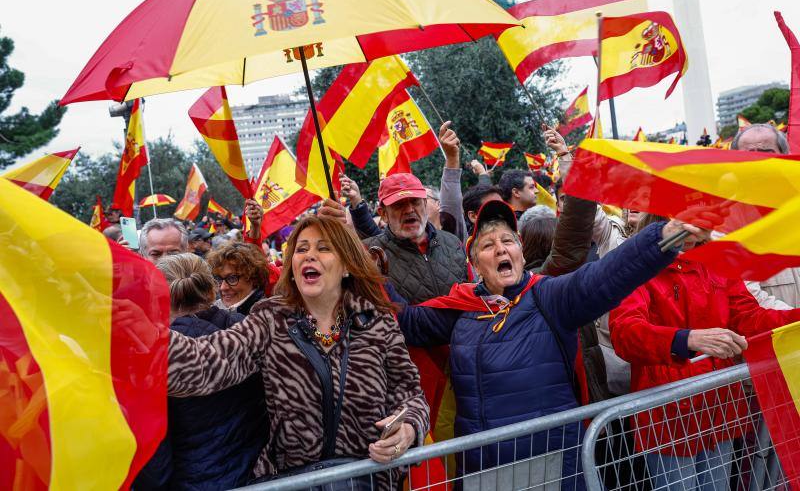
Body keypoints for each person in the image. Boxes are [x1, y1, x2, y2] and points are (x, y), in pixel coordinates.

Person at [390, 199, 708, 488]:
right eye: (488, 245)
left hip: (553, 467)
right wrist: (362, 263)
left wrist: (664, 237)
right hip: (482, 469)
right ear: (474, 262)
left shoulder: (547, 297)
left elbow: (605, 277)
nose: (500, 249)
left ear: (521, 253)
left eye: (508, 241)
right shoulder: (460, 308)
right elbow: (403, 321)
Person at [165, 216, 429, 486]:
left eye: (323, 248)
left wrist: (408, 428)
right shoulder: (270, 318)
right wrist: (135, 332)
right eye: (301, 249)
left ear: (347, 266)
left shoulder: (377, 321)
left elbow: (410, 395)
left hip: (366, 479)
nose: (309, 256)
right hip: (292, 482)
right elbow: (206, 362)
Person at [609, 212, 800, 491]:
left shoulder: (718, 262)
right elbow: (625, 333)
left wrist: (795, 318)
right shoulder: (637, 266)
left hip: (719, 409)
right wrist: (685, 340)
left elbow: (749, 318)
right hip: (670, 417)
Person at [136, 253, 267, 490]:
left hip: (195, 482)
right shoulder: (249, 329)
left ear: (157, 298)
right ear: (211, 291)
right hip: (261, 475)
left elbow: (154, 456)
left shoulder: (154, 355)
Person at [361, 172, 467, 304]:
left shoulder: (453, 242)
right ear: (383, 214)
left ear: (424, 204)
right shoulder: (368, 255)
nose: (409, 210)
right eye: (399, 204)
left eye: (415, 202)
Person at [731, 123, 799, 307]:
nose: (758, 160)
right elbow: (748, 295)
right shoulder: (725, 219)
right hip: (780, 332)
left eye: (766, 152)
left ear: (784, 158)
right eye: (749, 155)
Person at [207, 242, 270, 316]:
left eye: (232, 278)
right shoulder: (214, 309)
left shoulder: (264, 317)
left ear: (254, 278)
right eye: (219, 278)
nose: (222, 288)